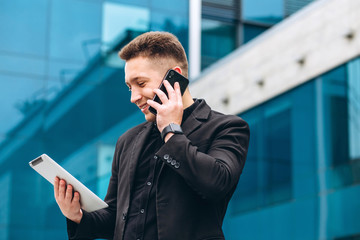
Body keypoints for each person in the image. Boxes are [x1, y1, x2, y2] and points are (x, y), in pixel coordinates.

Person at [54, 31, 250, 240]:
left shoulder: (227, 128)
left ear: (174, 77)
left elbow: (217, 183)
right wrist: (77, 216)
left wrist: (171, 131)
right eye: (129, 87)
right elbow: (114, 217)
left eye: (141, 83)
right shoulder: (127, 141)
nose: (133, 97)